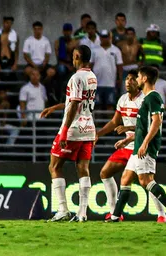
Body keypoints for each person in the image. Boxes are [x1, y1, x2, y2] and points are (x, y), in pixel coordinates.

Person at [107, 66, 166, 223]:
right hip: (138, 144)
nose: (137, 79)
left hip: (146, 147)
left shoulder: (153, 97)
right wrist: (128, 140)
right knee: (125, 179)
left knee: (146, 181)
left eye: (138, 77)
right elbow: (142, 127)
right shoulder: (148, 98)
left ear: (145, 79)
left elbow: (156, 122)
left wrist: (144, 143)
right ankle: (115, 216)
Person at [40, 45, 96, 222]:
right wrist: (55, 107)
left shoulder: (76, 78)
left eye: (73, 56)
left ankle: (63, 209)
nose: (72, 59)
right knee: (83, 168)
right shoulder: (92, 76)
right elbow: (76, 102)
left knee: (54, 166)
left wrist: (64, 131)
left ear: (78, 56)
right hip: (88, 128)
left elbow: (74, 104)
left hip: (73, 130)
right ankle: (82, 213)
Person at [91, 30, 123, 110]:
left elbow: (119, 66)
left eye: (106, 37)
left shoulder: (116, 50)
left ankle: (109, 123)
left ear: (110, 37)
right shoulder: (94, 50)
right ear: (100, 38)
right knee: (97, 106)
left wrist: (119, 79)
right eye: (103, 37)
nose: (104, 39)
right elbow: (90, 65)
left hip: (111, 84)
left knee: (110, 105)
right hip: (97, 83)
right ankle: (98, 123)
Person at [54, 23, 77, 101]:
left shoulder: (75, 42)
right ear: (63, 32)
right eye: (65, 31)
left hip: (72, 64)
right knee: (61, 69)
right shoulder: (58, 42)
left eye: (69, 31)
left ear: (71, 32)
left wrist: (73, 66)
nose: (67, 33)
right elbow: (58, 58)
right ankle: (59, 91)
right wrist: (67, 65)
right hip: (62, 64)